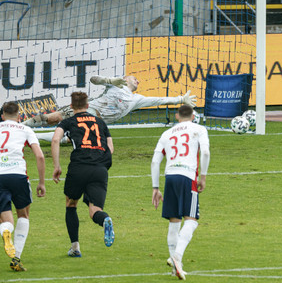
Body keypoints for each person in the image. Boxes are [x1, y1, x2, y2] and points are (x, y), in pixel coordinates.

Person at [24, 75, 197, 137]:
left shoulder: (137, 99)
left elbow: (159, 101)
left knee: (69, 139)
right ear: (125, 78)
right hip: (86, 109)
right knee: (52, 118)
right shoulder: (115, 84)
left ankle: (33, 138)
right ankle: (20, 127)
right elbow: (93, 79)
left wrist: (181, 98)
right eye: (134, 77)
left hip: (96, 122)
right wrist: (109, 80)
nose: (138, 80)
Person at [51, 92, 115, 257]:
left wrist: (57, 165)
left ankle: (75, 248)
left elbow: (56, 140)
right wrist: (101, 163)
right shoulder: (100, 122)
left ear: (71, 106)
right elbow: (110, 147)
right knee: (95, 209)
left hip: (78, 167)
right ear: (88, 106)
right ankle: (105, 220)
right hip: (100, 169)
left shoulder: (68, 121)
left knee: (71, 204)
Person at [151, 104, 210, 280]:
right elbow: (205, 152)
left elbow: (155, 161)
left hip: (170, 177)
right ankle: (176, 256)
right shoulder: (199, 129)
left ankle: (175, 267)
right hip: (187, 176)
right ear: (193, 116)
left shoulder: (166, 134)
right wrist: (203, 177)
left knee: (174, 222)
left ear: (177, 116)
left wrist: (155, 187)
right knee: (191, 221)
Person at [0, 102, 46, 272]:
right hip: (18, 176)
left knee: (6, 220)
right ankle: (16, 257)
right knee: (23, 215)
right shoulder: (25, 129)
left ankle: (6, 231)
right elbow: (40, 157)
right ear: (19, 116)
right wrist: (41, 182)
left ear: (2, 116)